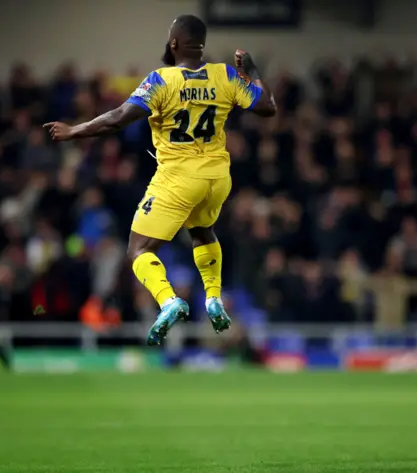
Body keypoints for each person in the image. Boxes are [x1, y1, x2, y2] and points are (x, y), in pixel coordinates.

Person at [45, 15, 276, 345]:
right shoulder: (224, 74)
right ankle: (213, 297)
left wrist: (74, 130)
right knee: (201, 231)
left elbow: (117, 119)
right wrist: (251, 71)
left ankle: (169, 301)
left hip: (179, 178)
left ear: (173, 44)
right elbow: (267, 106)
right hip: (217, 178)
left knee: (138, 249)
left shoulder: (161, 81)